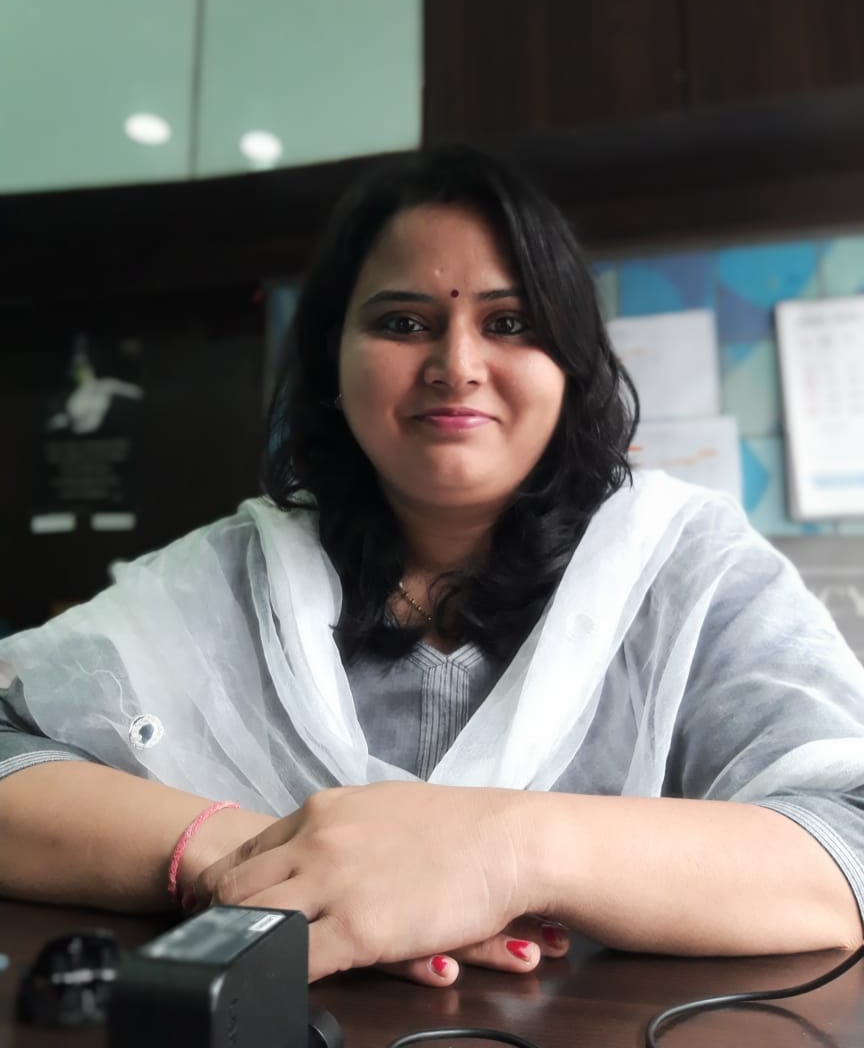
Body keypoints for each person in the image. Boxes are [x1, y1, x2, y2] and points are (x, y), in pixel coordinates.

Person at [2, 146, 864, 988]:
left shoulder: (686, 572)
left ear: (570, 363)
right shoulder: (232, 576)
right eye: (404, 323)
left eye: (508, 323)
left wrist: (500, 854)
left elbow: (846, 836)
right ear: (333, 359)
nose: (457, 367)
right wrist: (258, 857)